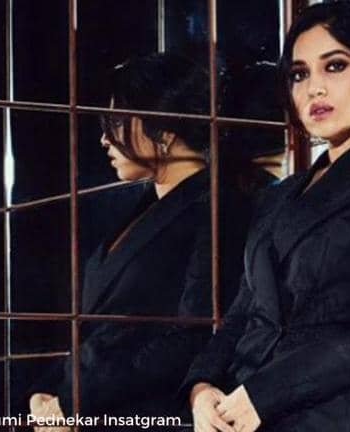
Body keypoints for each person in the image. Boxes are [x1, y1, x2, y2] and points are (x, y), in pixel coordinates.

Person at [182, 4, 350, 432]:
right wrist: (201, 387)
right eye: (299, 74)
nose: (314, 89)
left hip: (328, 414)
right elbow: (244, 313)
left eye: (335, 66)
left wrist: (266, 393)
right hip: (234, 410)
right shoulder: (280, 195)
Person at [26, 53, 234, 430]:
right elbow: (100, 331)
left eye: (119, 122)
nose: (105, 138)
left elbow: (192, 339)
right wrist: (46, 391)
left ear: (164, 129)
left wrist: (72, 400)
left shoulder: (216, 209)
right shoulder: (144, 207)